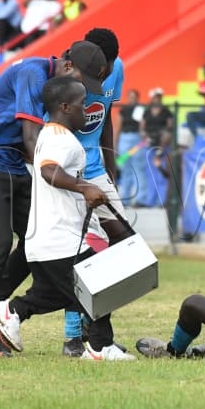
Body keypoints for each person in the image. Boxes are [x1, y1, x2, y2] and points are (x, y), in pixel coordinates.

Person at [0, 38, 108, 358]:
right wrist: (66, 178)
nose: (81, 89)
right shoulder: (32, 74)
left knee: (35, 240)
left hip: (10, 164)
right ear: (67, 66)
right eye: (80, 79)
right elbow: (31, 138)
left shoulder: (50, 81)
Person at [0, 75, 134, 361]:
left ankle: (13, 310)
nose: (87, 109)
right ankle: (101, 348)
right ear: (65, 107)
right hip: (60, 239)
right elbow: (48, 171)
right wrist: (85, 186)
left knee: (57, 295)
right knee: (100, 285)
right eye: (82, 104)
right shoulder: (58, 139)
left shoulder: (54, 135)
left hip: (49, 241)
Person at [61, 28, 129, 357]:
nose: (108, 72)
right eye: (103, 67)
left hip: (97, 171)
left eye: (111, 66)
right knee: (79, 253)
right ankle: (74, 336)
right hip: (67, 175)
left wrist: (111, 166)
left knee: (125, 243)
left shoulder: (117, 67)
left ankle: (99, 332)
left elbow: (107, 119)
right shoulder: (64, 74)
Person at [116, 89, 146, 203]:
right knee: (125, 168)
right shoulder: (123, 110)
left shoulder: (140, 109)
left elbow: (142, 125)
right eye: (130, 96)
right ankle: (125, 198)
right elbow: (118, 127)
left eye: (134, 97)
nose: (132, 99)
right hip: (124, 139)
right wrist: (115, 143)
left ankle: (141, 198)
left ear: (137, 98)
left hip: (136, 139)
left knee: (138, 167)